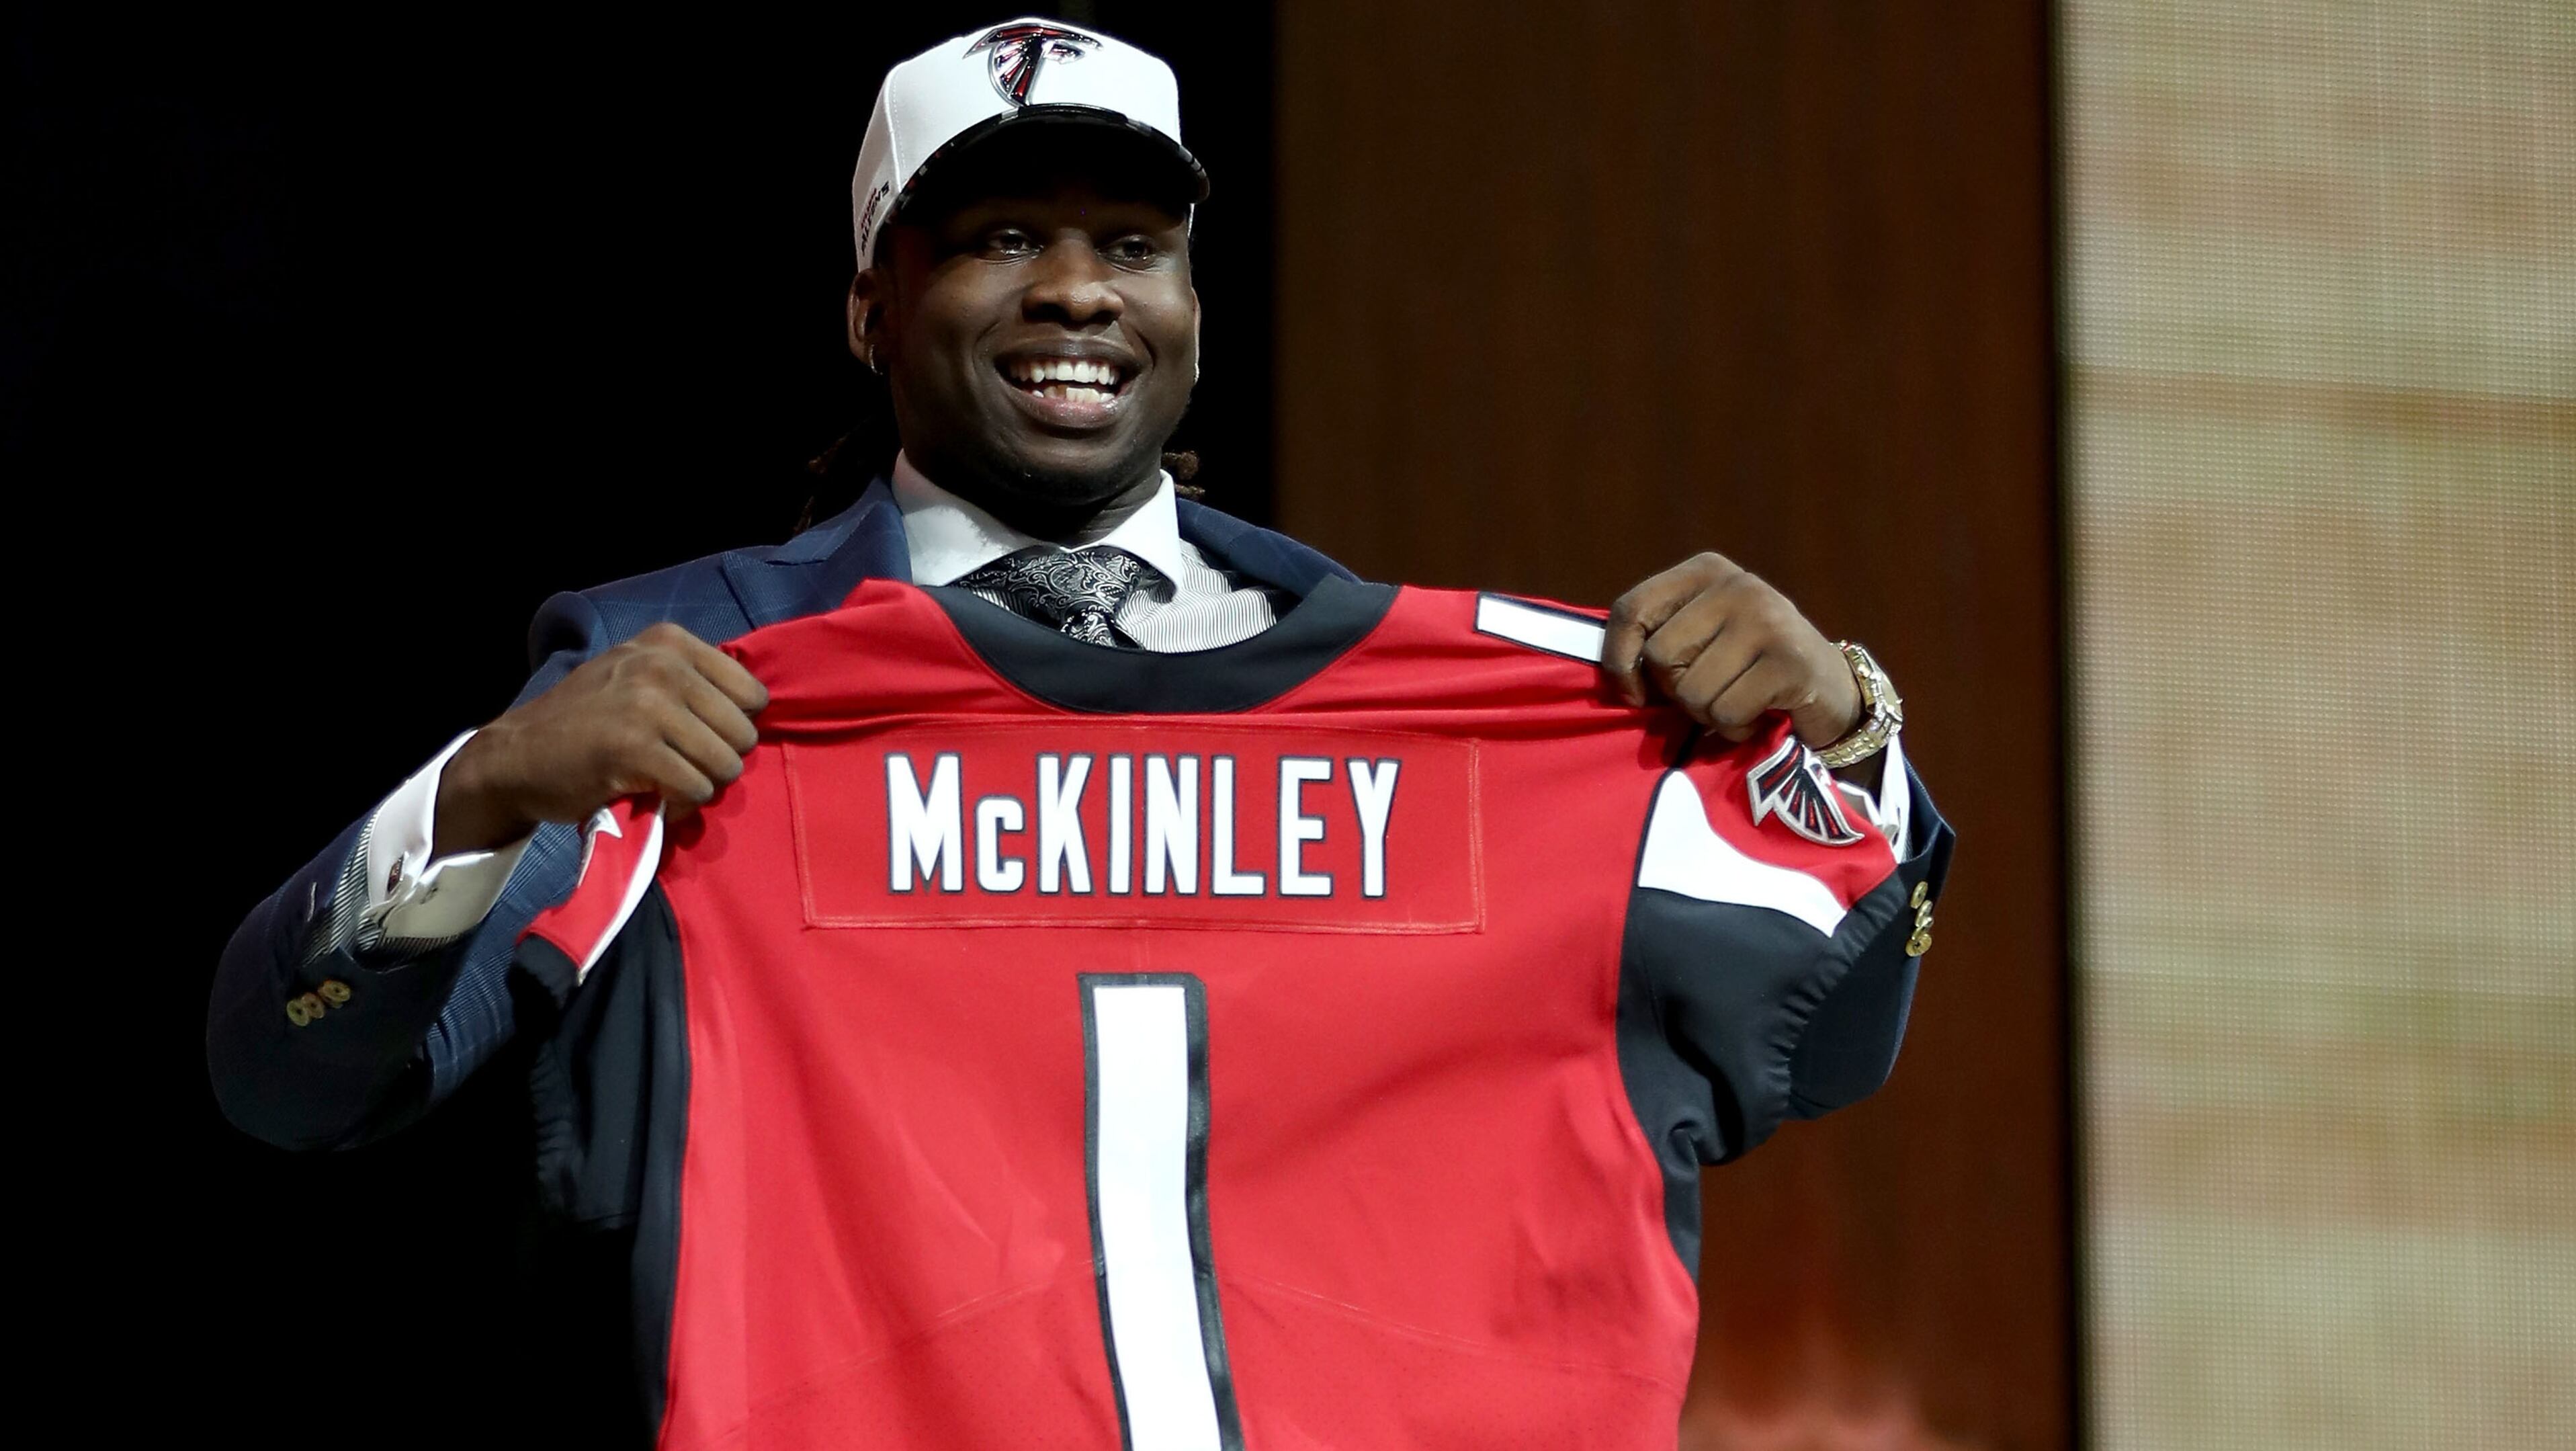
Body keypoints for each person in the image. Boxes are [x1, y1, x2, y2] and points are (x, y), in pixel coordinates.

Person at [208, 19, 1946, 1444]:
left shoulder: (1490, 713)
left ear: (1191, 303)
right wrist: (483, 791)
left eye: (1131, 245)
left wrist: (1837, 737)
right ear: (870, 308)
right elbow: (292, 1083)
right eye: (997, 240)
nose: (1076, 293)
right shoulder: (702, 680)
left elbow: (1824, 1045)